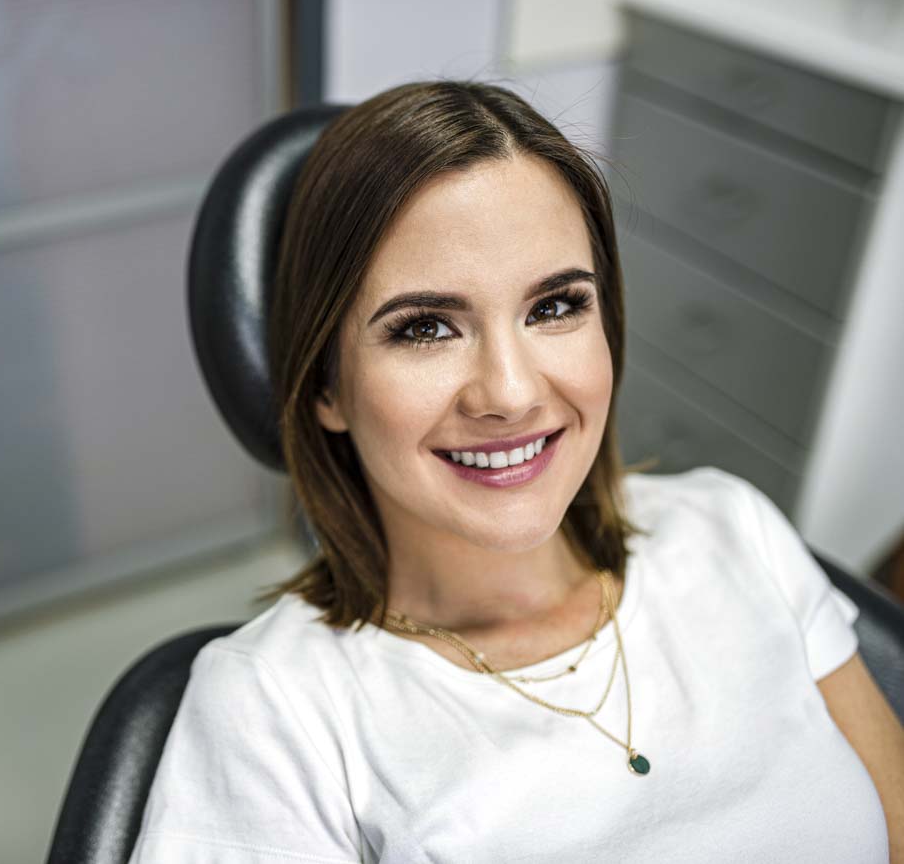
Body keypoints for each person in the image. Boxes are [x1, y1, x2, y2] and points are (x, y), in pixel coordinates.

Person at [127, 80, 904, 863]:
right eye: (426, 327)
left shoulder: (733, 531)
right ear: (326, 384)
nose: (511, 392)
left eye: (555, 307)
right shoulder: (271, 710)